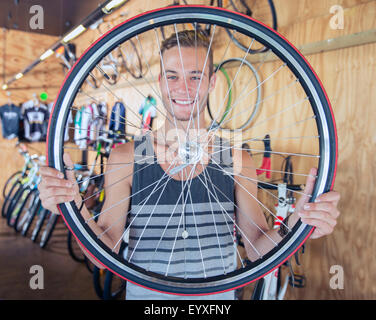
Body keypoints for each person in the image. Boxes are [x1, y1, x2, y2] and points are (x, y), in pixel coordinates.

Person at [38, 30, 340, 300]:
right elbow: (105, 254)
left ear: (211, 83)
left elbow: (256, 248)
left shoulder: (233, 157)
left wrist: (295, 226)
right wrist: (73, 205)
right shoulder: (128, 157)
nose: (183, 87)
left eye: (195, 76)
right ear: (160, 82)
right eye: (172, 76)